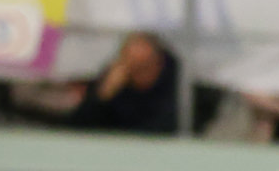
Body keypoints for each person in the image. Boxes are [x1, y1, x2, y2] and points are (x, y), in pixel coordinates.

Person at [47, 32, 182, 135]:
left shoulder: (178, 86)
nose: (137, 75)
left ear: (157, 64)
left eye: (143, 68)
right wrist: (103, 94)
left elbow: (166, 128)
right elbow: (78, 127)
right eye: (130, 66)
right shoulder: (116, 81)